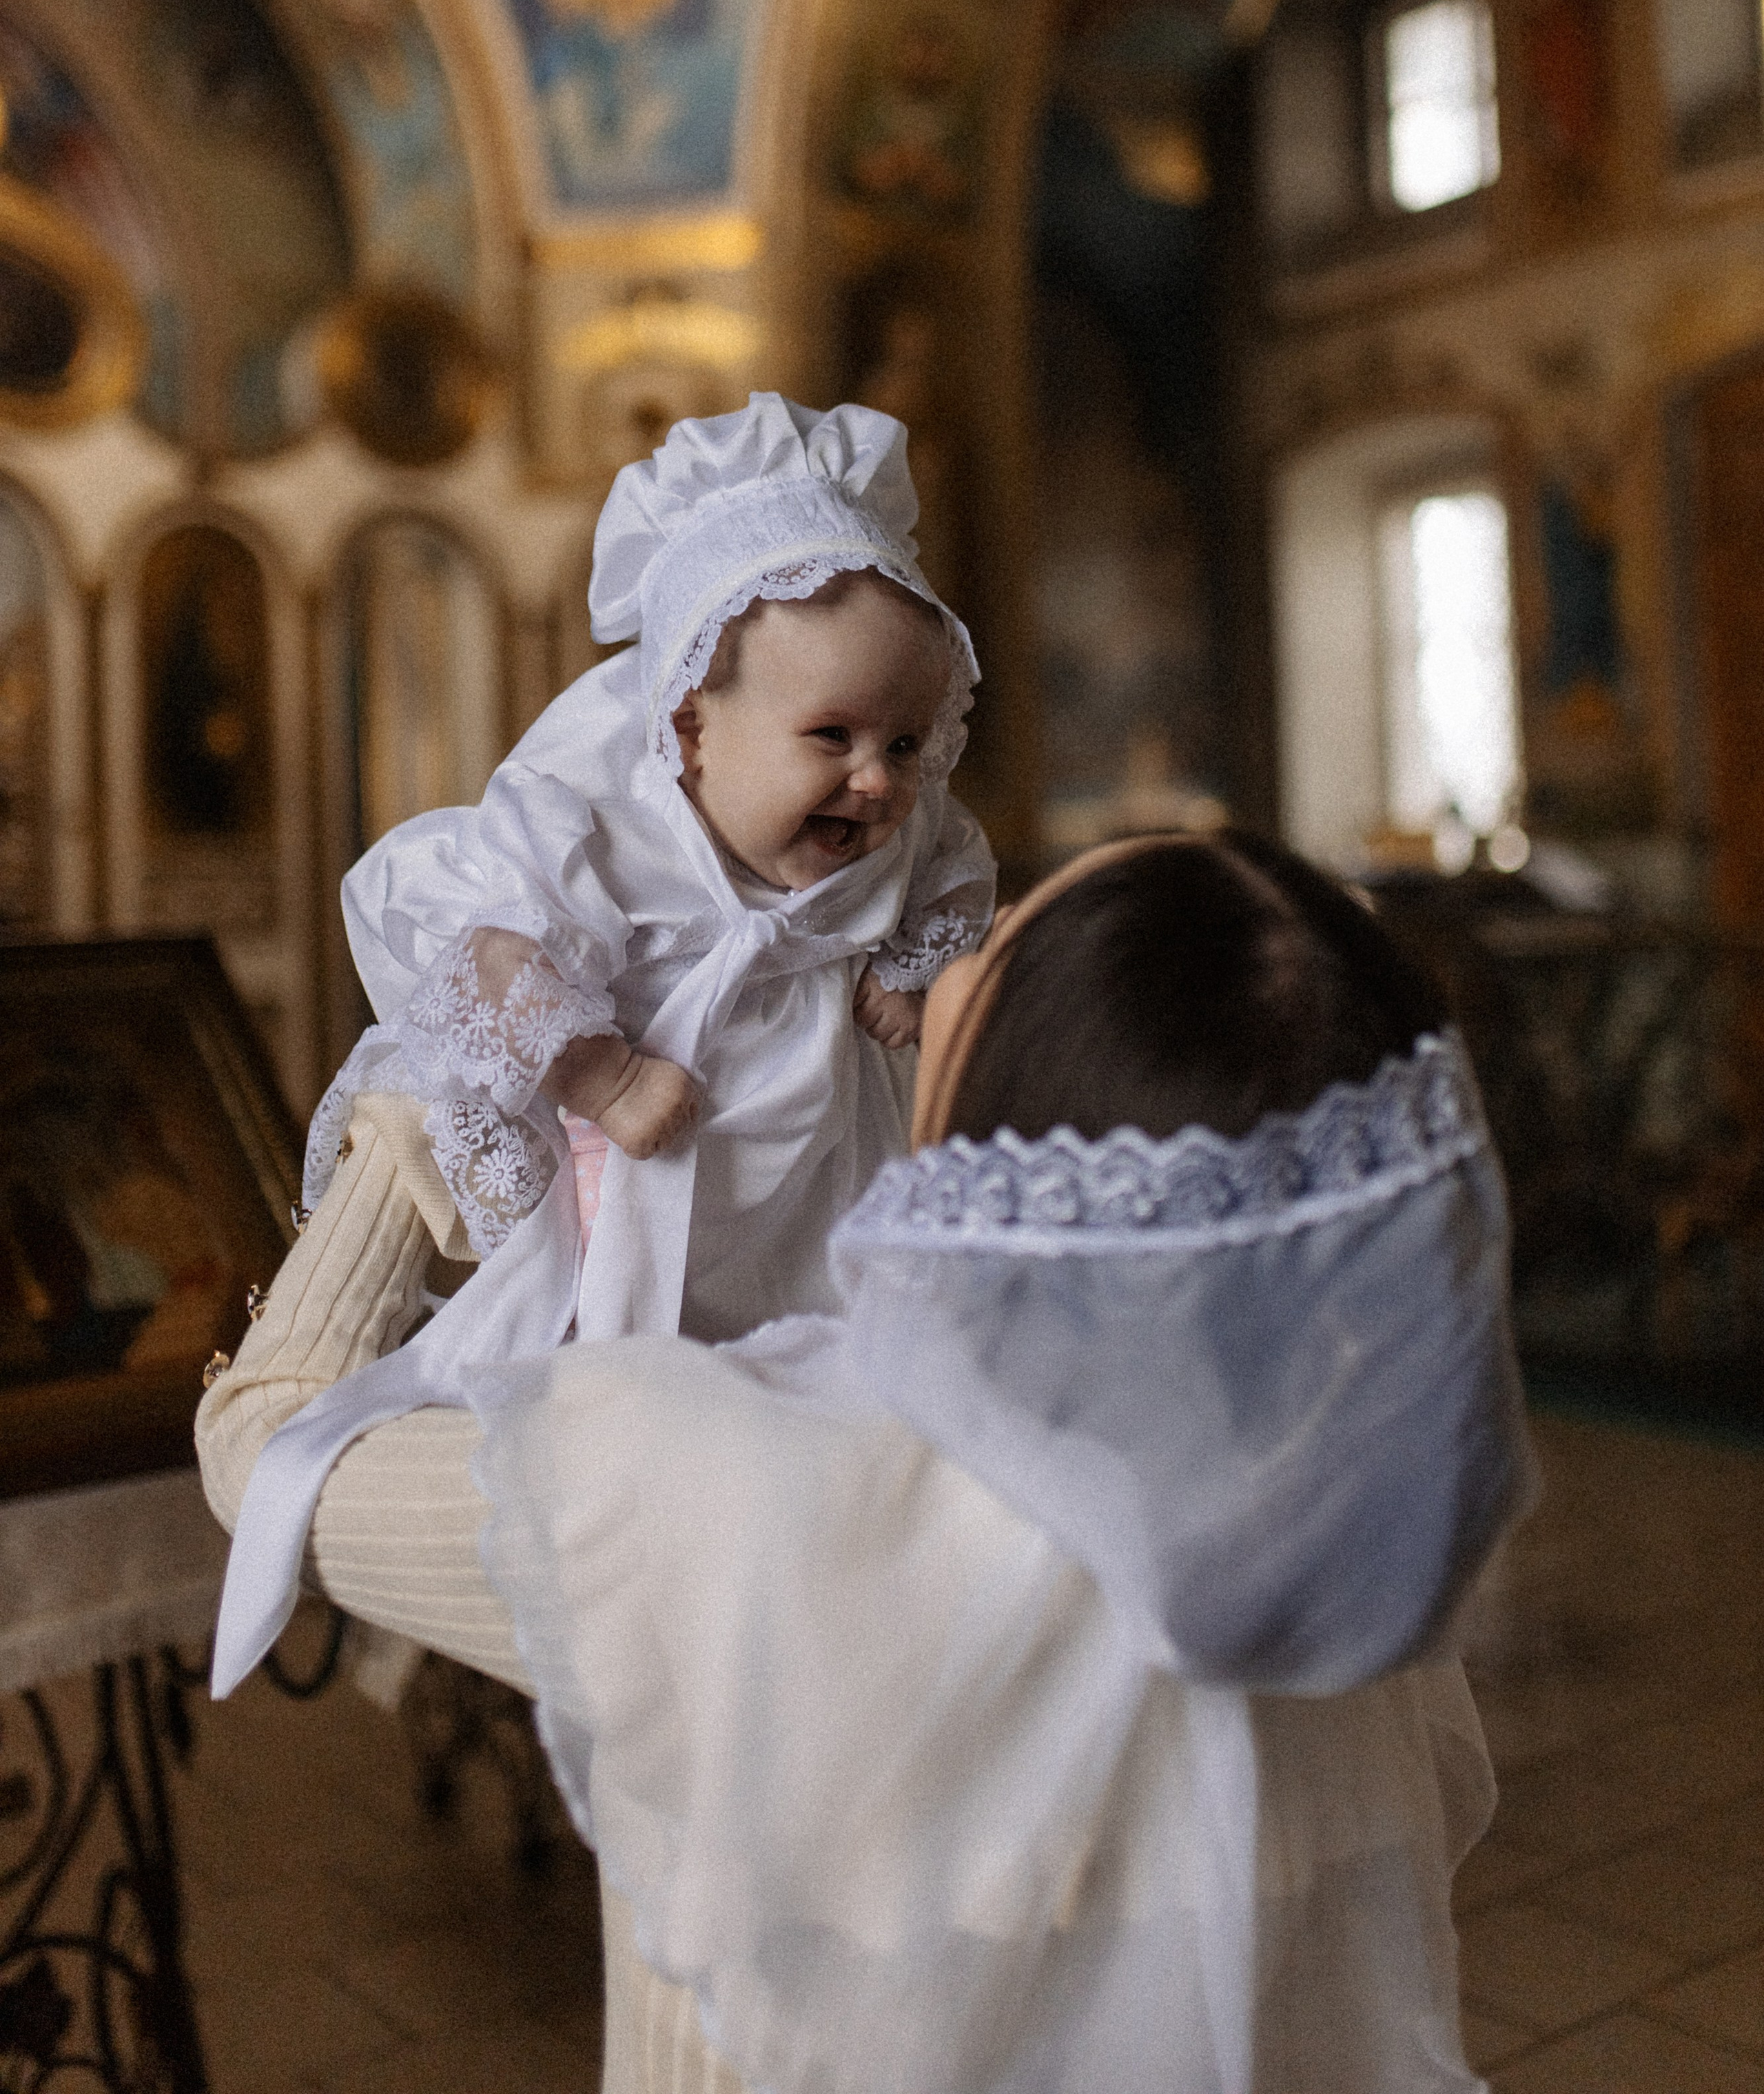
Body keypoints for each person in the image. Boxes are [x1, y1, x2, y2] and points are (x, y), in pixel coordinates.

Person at [199, 829, 1534, 2093]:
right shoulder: (1339, 1521)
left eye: (995, 945)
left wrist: (430, 1086)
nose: (941, 969)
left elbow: (268, 1449)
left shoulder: (707, 1479)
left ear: (1027, 1115)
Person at [205, 393, 994, 1696]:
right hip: (646, 1153)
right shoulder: (596, 826)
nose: (877, 781)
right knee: (632, 1368)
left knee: (821, 1358)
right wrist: (602, 1071)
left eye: (906, 744)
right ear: (689, 728)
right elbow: (484, 959)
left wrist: (914, 971)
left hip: (811, 1170)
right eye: (834, 739)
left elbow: (959, 880)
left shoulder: (906, 833)